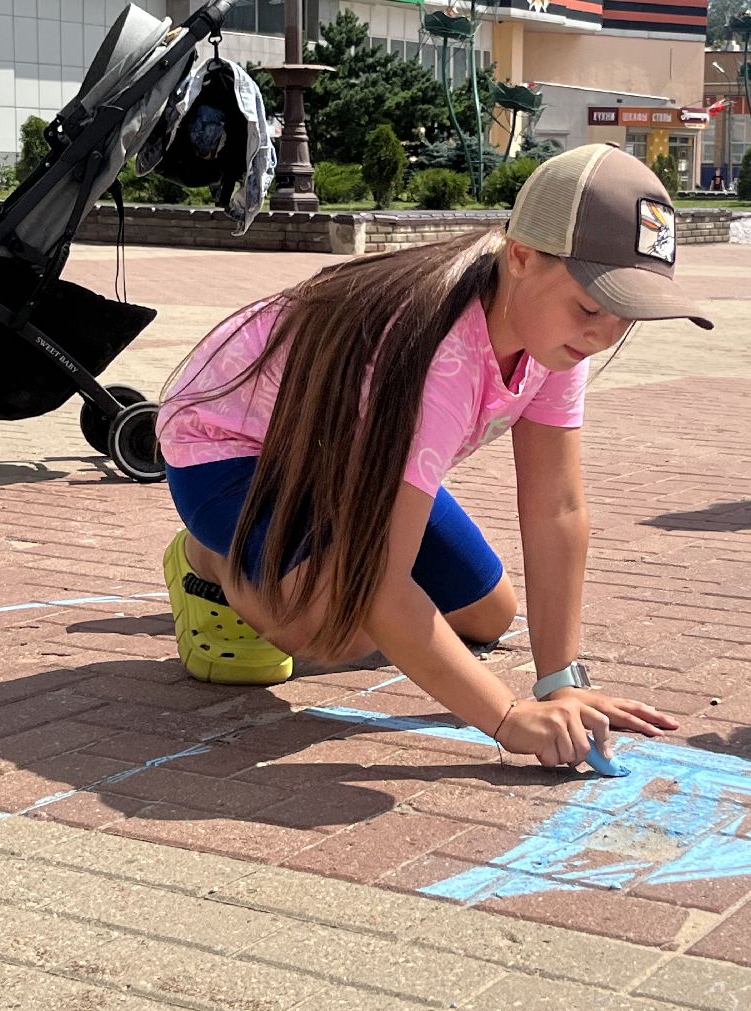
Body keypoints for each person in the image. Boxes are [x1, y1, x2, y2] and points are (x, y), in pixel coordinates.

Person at [156, 144, 712, 770]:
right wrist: (505, 717)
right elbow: (377, 583)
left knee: (487, 614)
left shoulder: (553, 336)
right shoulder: (430, 349)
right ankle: (208, 559)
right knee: (336, 625)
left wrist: (561, 682)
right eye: (590, 307)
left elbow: (556, 507)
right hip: (234, 450)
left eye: (625, 316)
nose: (603, 335)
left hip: (346, 456)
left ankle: (306, 547)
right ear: (521, 257)